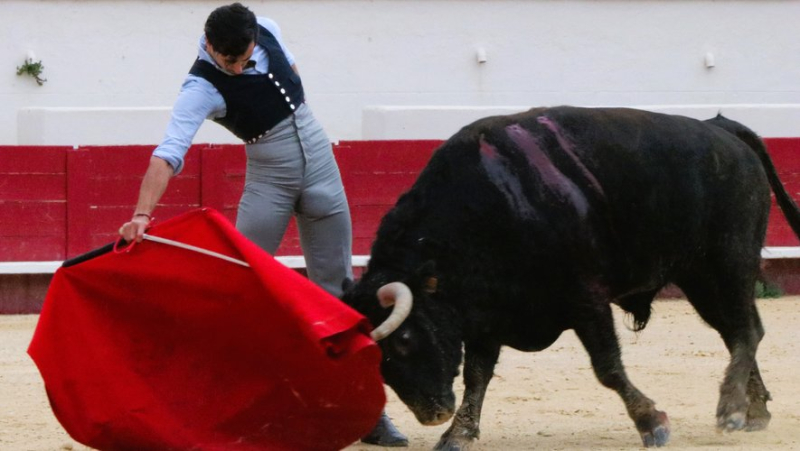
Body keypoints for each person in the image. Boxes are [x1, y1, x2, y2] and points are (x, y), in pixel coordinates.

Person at [117, 3, 408, 447]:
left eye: (243, 57)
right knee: (236, 289)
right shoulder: (199, 86)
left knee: (340, 292)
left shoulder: (267, 28)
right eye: (227, 62)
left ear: (254, 37)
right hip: (269, 179)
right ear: (209, 45)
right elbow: (168, 152)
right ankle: (215, 405)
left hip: (322, 168)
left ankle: (365, 412)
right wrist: (141, 214)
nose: (236, 68)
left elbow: (290, 75)